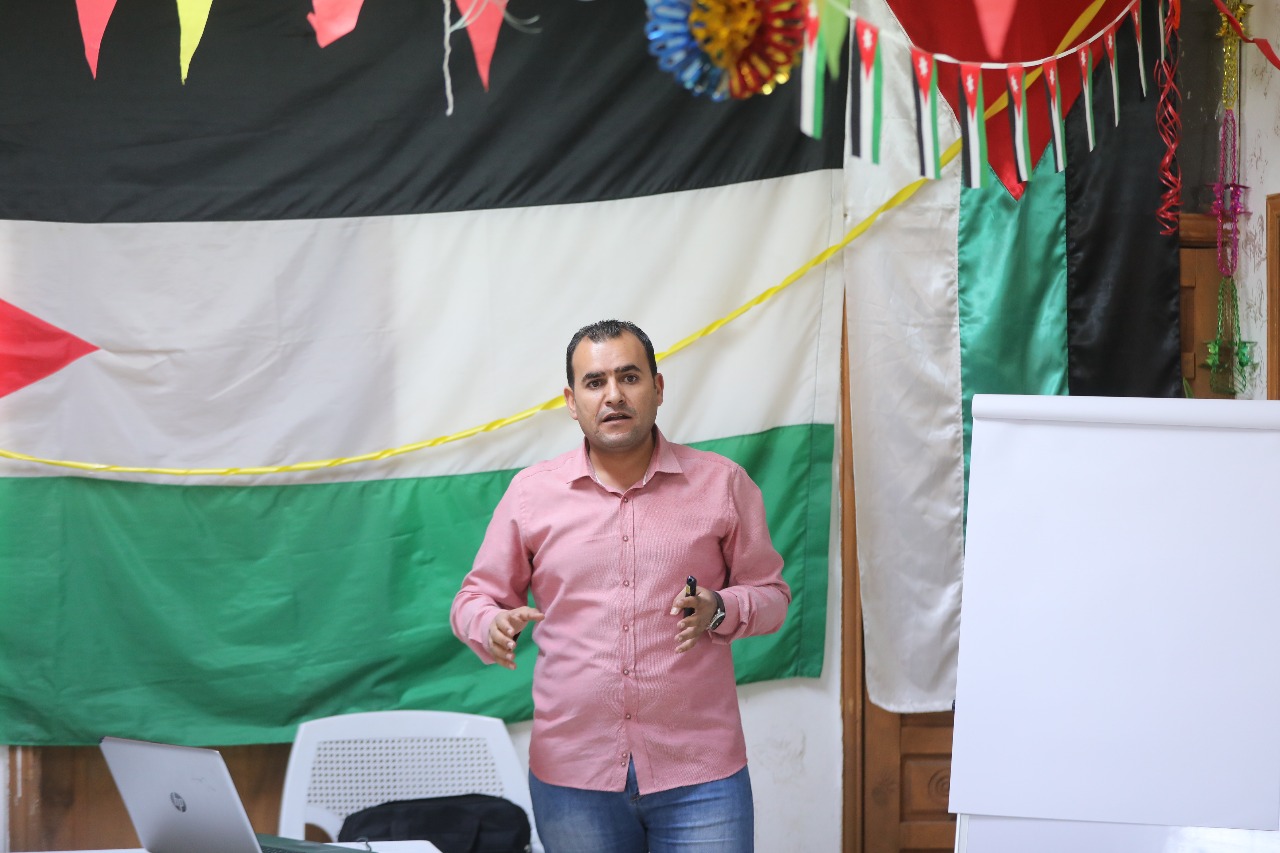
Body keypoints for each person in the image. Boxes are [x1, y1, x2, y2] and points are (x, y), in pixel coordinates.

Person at [450, 319, 790, 853]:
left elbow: (773, 596)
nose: (613, 395)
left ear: (658, 388)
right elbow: (473, 599)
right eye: (595, 382)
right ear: (571, 401)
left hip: (701, 776)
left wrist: (720, 608)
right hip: (573, 778)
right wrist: (490, 623)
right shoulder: (531, 494)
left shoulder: (722, 484)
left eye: (629, 377)